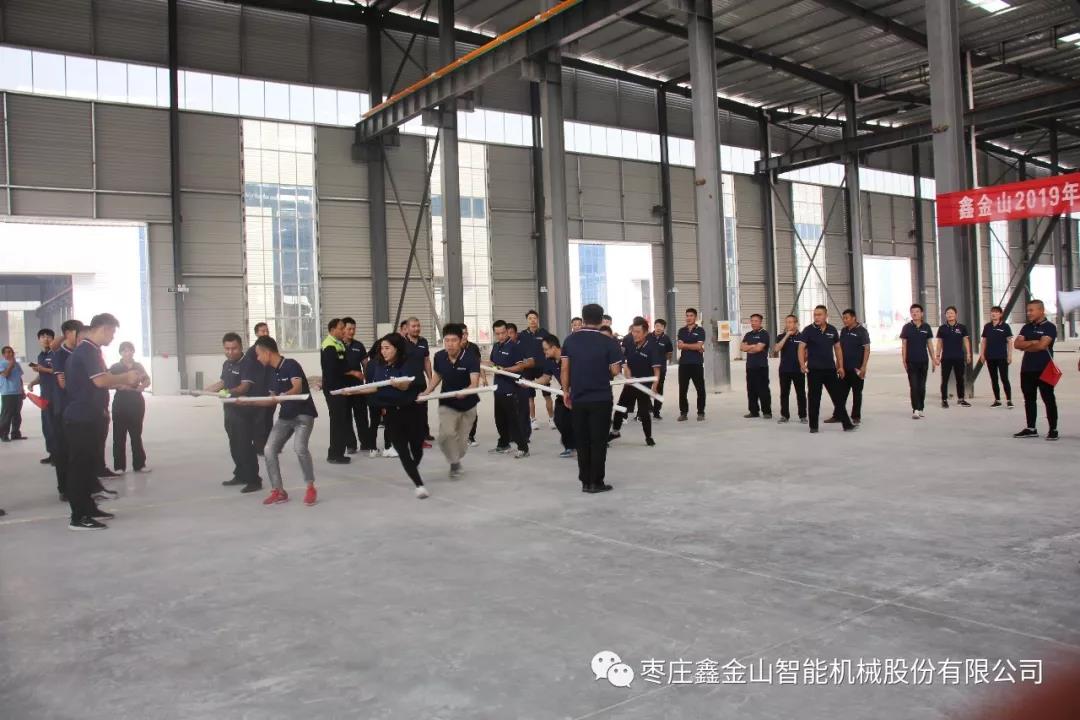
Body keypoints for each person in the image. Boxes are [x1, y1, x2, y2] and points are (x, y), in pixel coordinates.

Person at [62, 313, 141, 530]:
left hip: (90, 416)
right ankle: (78, 517)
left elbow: (97, 383)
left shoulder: (91, 350)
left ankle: (88, 508)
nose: (113, 337)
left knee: (88, 466)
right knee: (79, 468)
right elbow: (100, 380)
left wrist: (120, 385)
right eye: (112, 332)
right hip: (81, 418)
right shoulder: (87, 350)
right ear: (104, 328)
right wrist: (126, 377)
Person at [562, 303, 623, 493]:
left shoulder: (570, 340)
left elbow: (564, 369)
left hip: (578, 398)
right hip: (601, 398)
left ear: (583, 318)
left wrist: (565, 391)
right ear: (601, 319)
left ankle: (585, 481)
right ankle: (596, 482)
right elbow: (615, 370)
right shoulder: (609, 342)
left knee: (582, 441)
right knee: (598, 441)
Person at [252, 336, 319, 505]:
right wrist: (248, 402)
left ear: (267, 352)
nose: (258, 358)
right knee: (269, 449)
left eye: (258, 354)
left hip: (303, 415)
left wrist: (284, 395)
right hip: (286, 417)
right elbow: (272, 400)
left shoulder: (291, 364)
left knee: (300, 448)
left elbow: (297, 387)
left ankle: (310, 487)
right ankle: (278, 491)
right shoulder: (271, 373)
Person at [368, 333, 430, 497]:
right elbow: (375, 386)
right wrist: (351, 391)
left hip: (412, 411)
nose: (383, 351)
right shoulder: (379, 365)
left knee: (417, 448)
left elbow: (405, 386)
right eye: (382, 348)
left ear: (397, 349)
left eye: (387, 348)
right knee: (402, 450)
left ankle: (412, 468)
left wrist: (398, 384)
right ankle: (419, 484)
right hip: (391, 414)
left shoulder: (407, 364)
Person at [204, 332, 263, 493]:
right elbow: (223, 382)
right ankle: (241, 474)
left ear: (241, 347)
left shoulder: (248, 364)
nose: (230, 352)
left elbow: (244, 387)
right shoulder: (227, 364)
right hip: (230, 411)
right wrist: (205, 390)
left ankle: (254, 480)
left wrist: (225, 393)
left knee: (244, 445)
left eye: (234, 348)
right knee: (234, 445)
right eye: (227, 349)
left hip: (244, 412)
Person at [420, 323, 480, 478]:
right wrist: (427, 391)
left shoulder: (471, 358)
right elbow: (438, 375)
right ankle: (454, 464)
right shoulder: (439, 356)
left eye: (454, 340)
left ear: (461, 341)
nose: (450, 344)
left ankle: (456, 459)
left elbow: (474, 383)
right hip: (447, 402)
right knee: (445, 436)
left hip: (468, 405)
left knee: (461, 444)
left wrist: (465, 392)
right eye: (447, 340)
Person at [796, 305, 855, 434]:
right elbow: (801, 348)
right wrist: (802, 364)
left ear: (826, 316)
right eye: (815, 315)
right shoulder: (808, 330)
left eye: (819, 315)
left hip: (830, 370)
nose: (816, 317)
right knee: (814, 399)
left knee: (838, 398)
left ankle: (847, 424)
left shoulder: (832, 330)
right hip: (814, 371)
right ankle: (813, 426)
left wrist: (841, 366)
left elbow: (838, 349)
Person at [609, 318, 660, 446]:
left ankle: (648, 437)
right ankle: (615, 432)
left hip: (643, 384)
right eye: (633, 331)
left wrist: (654, 386)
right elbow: (621, 356)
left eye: (638, 332)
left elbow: (656, 370)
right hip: (630, 383)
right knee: (620, 407)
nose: (635, 334)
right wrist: (625, 367)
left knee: (643, 411)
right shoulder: (629, 342)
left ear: (645, 332)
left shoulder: (652, 347)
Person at [488, 320, 533, 458]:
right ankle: (503, 444)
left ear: (507, 331)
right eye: (497, 334)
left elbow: (520, 366)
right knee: (499, 419)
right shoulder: (496, 346)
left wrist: (505, 369)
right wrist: (485, 364)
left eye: (503, 333)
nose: (500, 336)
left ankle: (523, 448)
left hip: (510, 388)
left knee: (513, 420)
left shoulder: (514, 347)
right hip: (498, 387)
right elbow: (493, 363)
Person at [1014, 300, 1058, 440]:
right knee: (1029, 399)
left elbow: (1042, 346)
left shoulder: (1050, 327)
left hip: (1045, 368)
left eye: (1031, 310)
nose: (1029, 313)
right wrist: (1034, 342)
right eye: (1028, 310)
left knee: (1048, 399)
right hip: (1027, 368)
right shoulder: (1026, 327)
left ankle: (1053, 429)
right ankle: (1031, 428)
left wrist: (1027, 345)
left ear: (1041, 310)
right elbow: (1016, 344)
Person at [49, 320, 81, 501]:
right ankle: (65, 488)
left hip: (79, 409)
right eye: (78, 333)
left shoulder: (81, 353)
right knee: (64, 450)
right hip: (64, 409)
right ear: (68, 333)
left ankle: (80, 486)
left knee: (79, 450)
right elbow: (63, 383)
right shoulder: (60, 355)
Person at [108, 341, 150, 473]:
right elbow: (107, 383)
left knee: (136, 435)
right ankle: (119, 466)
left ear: (133, 352)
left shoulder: (138, 366)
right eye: (125, 351)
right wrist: (120, 386)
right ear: (120, 353)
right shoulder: (115, 367)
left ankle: (139, 464)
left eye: (130, 350)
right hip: (120, 402)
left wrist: (142, 386)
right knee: (119, 436)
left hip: (136, 402)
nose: (128, 353)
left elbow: (147, 379)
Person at [831, 309, 870, 425]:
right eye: (843, 318)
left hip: (856, 369)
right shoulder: (844, 331)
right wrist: (838, 365)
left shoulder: (862, 331)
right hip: (844, 368)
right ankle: (838, 415)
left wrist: (863, 367)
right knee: (840, 393)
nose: (844, 320)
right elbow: (839, 349)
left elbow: (867, 349)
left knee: (856, 393)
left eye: (847, 318)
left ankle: (856, 416)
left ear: (854, 318)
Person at [320, 318, 351, 465]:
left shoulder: (339, 343)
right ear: (332, 330)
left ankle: (339, 452)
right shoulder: (329, 346)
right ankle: (334, 454)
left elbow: (343, 365)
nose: (344, 330)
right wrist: (337, 390)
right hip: (334, 389)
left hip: (340, 387)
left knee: (341, 421)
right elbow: (332, 371)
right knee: (337, 421)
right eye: (341, 328)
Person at [538, 335, 575, 458]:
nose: (544, 352)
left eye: (546, 349)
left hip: (578, 391)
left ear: (554, 347)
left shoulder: (570, 356)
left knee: (578, 420)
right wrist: (532, 383)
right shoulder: (549, 360)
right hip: (564, 392)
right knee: (559, 419)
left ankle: (577, 444)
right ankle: (570, 445)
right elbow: (546, 377)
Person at [341, 317, 372, 455]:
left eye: (354, 329)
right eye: (349, 329)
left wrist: (367, 379)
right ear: (343, 329)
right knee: (346, 416)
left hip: (358, 387)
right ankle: (351, 445)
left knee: (362, 415)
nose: (352, 331)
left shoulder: (359, 346)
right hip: (343, 387)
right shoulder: (336, 345)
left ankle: (366, 443)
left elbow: (365, 364)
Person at [900, 304, 937, 419]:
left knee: (922, 386)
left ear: (922, 314)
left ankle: (921, 408)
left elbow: (929, 344)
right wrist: (904, 360)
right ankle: (915, 409)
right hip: (911, 361)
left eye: (917, 311)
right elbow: (904, 345)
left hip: (923, 361)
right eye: (912, 312)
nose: (914, 313)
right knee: (914, 386)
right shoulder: (906, 327)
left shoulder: (926, 327)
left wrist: (933, 359)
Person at [402, 317, 434, 446]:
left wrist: (431, 379)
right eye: (413, 326)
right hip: (405, 384)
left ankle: (421, 438)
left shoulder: (423, 342)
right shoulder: (401, 342)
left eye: (418, 326)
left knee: (421, 412)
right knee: (407, 411)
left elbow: (426, 361)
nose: (416, 328)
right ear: (407, 328)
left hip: (420, 382)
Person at [244, 322, 275, 453]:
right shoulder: (252, 352)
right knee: (259, 419)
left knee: (269, 418)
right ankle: (259, 446)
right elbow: (248, 372)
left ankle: (269, 444)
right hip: (257, 389)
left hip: (270, 387)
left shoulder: (272, 347)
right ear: (256, 333)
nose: (265, 333)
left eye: (267, 330)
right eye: (262, 331)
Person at [520, 310, 554, 430]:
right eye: (530, 318)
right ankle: (533, 420)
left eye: (534, 318)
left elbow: (551, 348)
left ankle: (551, 419)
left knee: (547, 395)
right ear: (527, 320)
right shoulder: (522, 335)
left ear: (538, 319)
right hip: (528, 369)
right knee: (530, 397)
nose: (532, 320)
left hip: (542, 368)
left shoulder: (544, 333)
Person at [27, 328, 56, 460]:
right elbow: (42, 374)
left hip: (56, 396)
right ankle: (52, 453)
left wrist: (43, 369)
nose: (46, 339)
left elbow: (60, 371)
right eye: (43, 337)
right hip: (44, 396)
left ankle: (59, 455)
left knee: (55, 425)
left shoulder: (56, 353)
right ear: (39, 340)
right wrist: (33, 382)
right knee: (47, 425)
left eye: (48, 336)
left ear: (53, 339)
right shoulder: (41, 356)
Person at [936, 306, 972, 408]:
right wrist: (937, 356)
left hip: (959, 357)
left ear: (956, 314)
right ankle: (944, 400)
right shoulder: (942, 328)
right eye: (947, 313)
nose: (950, 315)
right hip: (946, 358)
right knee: (945, 380)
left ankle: (961, 399)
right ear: (945, 315)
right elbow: (939, 343)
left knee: (960, 379)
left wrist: (968, 354)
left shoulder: (962, 327)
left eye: (951, 313)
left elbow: (966, 341)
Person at [980, 305, 1014, 408]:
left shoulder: (1005, 326)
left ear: (1000, 314)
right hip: (990, 357)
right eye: (992, 312)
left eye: (996, 312)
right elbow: (984, 341)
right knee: (994, 379)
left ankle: (1009, 400)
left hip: (1002, 357)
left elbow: (1009, 341)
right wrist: (982, 354)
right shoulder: (987, 326)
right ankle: (997, 400)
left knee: (1004, 378)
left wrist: (1009, 355)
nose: (993, 314)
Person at [775, 314, 806, 424]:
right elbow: (776, 349)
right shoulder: (781, 336)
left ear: (796, 323)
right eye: (786, 322)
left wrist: (804, 364)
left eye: (790, 322)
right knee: (784, 393)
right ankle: (784, 415)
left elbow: (807, 353)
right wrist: (787, 335)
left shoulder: (802, 337)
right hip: (784, 370)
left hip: (798, 370)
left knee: (801, 394)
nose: (788, 324)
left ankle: (803, 416)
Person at [677, 308, 706, 422]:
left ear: (695, 317)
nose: (688, 318)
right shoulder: (681, 331)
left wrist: (686, 345)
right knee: (682, 390)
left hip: (696, 363)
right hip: (684, 364)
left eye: (691, 316)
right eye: (687, 315)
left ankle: (701, 412)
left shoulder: (700, 330)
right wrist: (695, 346)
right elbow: (679, 346)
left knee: (700, 389)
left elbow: (699, 346)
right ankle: (683, 413)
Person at [740, 314, 772, 419]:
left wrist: (749, 348)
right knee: (751, 390)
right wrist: (753, 346)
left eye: (756, 321)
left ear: (760, 322)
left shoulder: (764, 334)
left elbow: (759, 349)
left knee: (763, 390)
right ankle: (753, 411)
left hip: (761, 366)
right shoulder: (748, 334)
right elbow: (742, 347)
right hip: (750, 366)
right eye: (752, 321)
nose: (753, 323)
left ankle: (767, 412)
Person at [461, 324, 483, 447]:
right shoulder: (454, 347)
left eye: (466, 333)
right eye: (461, 333)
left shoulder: (473, 347)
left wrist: (483, 378)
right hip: (457, 383)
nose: (464, 336)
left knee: (472, 411)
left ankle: (470, 436)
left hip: (471, 384)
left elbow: (479, 364)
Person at [0, 346, 26, 442]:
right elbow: (5, 375)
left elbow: (19, 378)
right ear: (3, 354)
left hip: (17, 393)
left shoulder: (17, 364)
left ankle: (15, 434)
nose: (10, 354)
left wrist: (22, 390)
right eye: (7, 352)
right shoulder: (1, 364)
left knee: (17, 415)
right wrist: (10, 365)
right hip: (7, 393)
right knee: (6, 415)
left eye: (11, 352)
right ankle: (3, 435)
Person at [651, 319, 673, 420]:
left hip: (661, 368)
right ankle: (644, 410)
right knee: (645, 388)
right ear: (654, 326)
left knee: (659, 389)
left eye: (661, 326)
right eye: (657, 326)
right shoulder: (648, 337)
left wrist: (663, 360)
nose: (658, 328)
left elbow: (669, 353)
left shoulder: (666, 339)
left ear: (664, 328)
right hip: (648, 368)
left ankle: (656, 411)